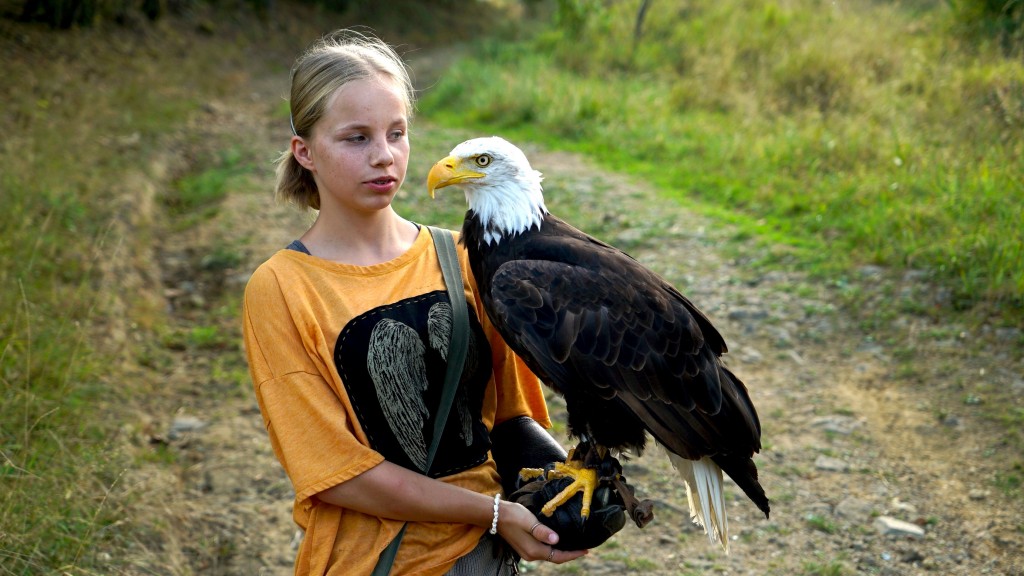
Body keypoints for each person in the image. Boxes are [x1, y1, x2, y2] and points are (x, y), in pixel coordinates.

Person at [241, 28, 589, 575]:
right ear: (304, 152)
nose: (384, 157)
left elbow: (511, 416)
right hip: (370, 564)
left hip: (483, 561)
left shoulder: (465, 257)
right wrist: (493, 513)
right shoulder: (282, 288)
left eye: (396, 133)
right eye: (356, 138)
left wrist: (564, 493)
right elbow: (335, 471)